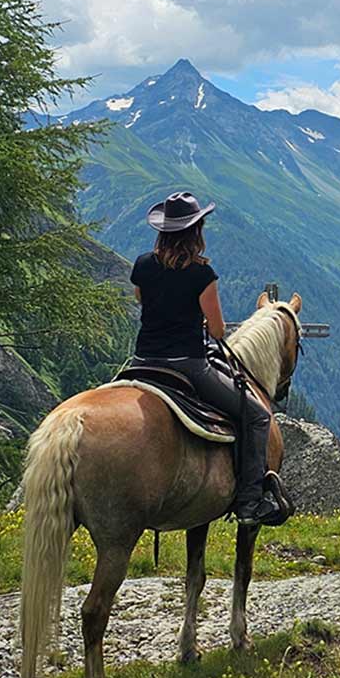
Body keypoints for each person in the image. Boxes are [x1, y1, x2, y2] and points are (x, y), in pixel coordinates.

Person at [130, 191, 279, 525]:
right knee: (256, 416)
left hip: (142, 362)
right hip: (188, 365)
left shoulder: (141, 265)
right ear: (195, 231)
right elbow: (215, 330)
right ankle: (250, 502)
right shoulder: (202, 275)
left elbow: (144, 301)